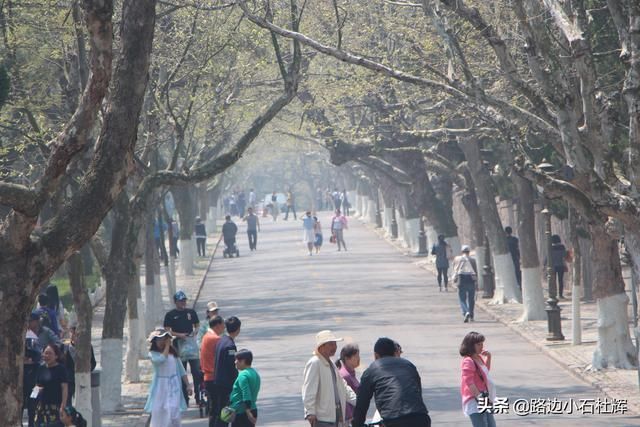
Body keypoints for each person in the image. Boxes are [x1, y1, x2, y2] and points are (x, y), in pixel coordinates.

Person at [352, 337, 431, 427]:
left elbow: (362, 403)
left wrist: (357, 424)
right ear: (395, 353)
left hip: (394, 421)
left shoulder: (371, 370)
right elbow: (417, 392)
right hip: (420, 418)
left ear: (376, 355)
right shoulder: (408, 365)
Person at [302, 330, 357, 426]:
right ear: (321, 346)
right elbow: (309, 389)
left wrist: (358, 401)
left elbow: (343, 386)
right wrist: (310, 412)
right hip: (323, 419)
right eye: (331, 344)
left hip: (336, 417)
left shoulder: (331, 364)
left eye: (335, 344)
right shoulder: (315, 363)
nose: (334, 347)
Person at [144, 328, 192, 427]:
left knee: (174, 409)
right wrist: (167, 346)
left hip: (174, 385)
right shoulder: (153, 354)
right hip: (161, 387)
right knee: (160, 410)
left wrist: (188, 385)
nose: (161, 342)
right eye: (159, 340)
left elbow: (181, 370)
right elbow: (161, 360)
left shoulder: (173, 353)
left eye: (163, 339)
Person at [164, 290, 203, 407]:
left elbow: (197, 324)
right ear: (175, 302)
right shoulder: (170, 315)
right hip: (178, 346)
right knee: (182, 373)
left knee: (197, 372)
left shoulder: (191, 312)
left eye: (184, 300)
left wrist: (195, 332)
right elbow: (167, 330)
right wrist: (179, 335)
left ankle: (198, 396)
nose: (183, 303)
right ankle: (184, 399)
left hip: (191, 345)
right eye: (180, 301)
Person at [460, 332, 496, 427]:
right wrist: (479, 398)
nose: (481, 346)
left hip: (484, 398)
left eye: (482, 343)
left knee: (491, 425)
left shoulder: (478, 357)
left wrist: (489, 357)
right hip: (475, 400)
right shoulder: (468, 361)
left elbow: (485, 372)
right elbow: (469, 383)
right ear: (471, 346)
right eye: (478, 344)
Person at [212, 316, 242, 427]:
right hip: (226, 384)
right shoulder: (230, 346)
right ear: (238, 329)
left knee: (221, 412)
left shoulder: (221, 340)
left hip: (218, 381)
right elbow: (232, 367)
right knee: (225, 414)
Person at [34, 343, 69, 427]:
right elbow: (38, 385)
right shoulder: (41, 368)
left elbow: (64, 388)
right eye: (45, 353)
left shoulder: (61, 369)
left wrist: (63, 405)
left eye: (50, 353)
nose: (47, 356)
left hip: (55, 406)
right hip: (42, 406)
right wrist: (34, 394)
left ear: (56, 356)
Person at [62, 323, 97, 405]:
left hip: (82, 378)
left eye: (76, 334)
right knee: (67, 400)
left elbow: (93, 363)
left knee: (83, 401)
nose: (74, 335)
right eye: (72, 333)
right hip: (69, 379)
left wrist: (86, 371)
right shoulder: (65, 347)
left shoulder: (87, 347)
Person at [200, 316, 226, 427]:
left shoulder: (207, 336)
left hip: (208, 377)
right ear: (217, 325)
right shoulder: (215, 339)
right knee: (218, 410)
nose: (224, 327)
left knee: (214, 409)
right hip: (214, 378)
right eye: (223, 325)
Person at [228, 349, 261, 427]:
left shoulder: (243, 375)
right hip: (252, 409)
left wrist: (248, 412)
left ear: (243, 361)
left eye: (237, 360)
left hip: (242, 412)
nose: (235, 362)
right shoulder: (254, 373)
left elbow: (246, 394)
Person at [452, 245, 478, 323]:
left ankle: (466, 312)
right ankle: (472, 315)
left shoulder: (457, 259)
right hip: (471, 279)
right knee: (471, 299)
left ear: (462, 251)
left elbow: (454, 268)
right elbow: (475, 271)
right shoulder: (472, 260)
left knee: (462, 298)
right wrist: (477, 283)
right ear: (469, 252)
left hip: (461, 279)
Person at [335, 344, 360, 424]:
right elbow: (344, 399)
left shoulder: (351, 372)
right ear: (347, 358)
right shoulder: (345, 375)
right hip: (347, 419)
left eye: (358, 356)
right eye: (356, 356)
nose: (358, 359)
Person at [550, 234, 568, 299]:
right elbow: (564, 256)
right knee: (560, 280)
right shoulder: (562, 247)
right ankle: (560, 295)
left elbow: (548, 257)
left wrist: (544, 264)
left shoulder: (550, 247)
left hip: (553, 266)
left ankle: (554, 294)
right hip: (561, 266)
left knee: (553, 281)